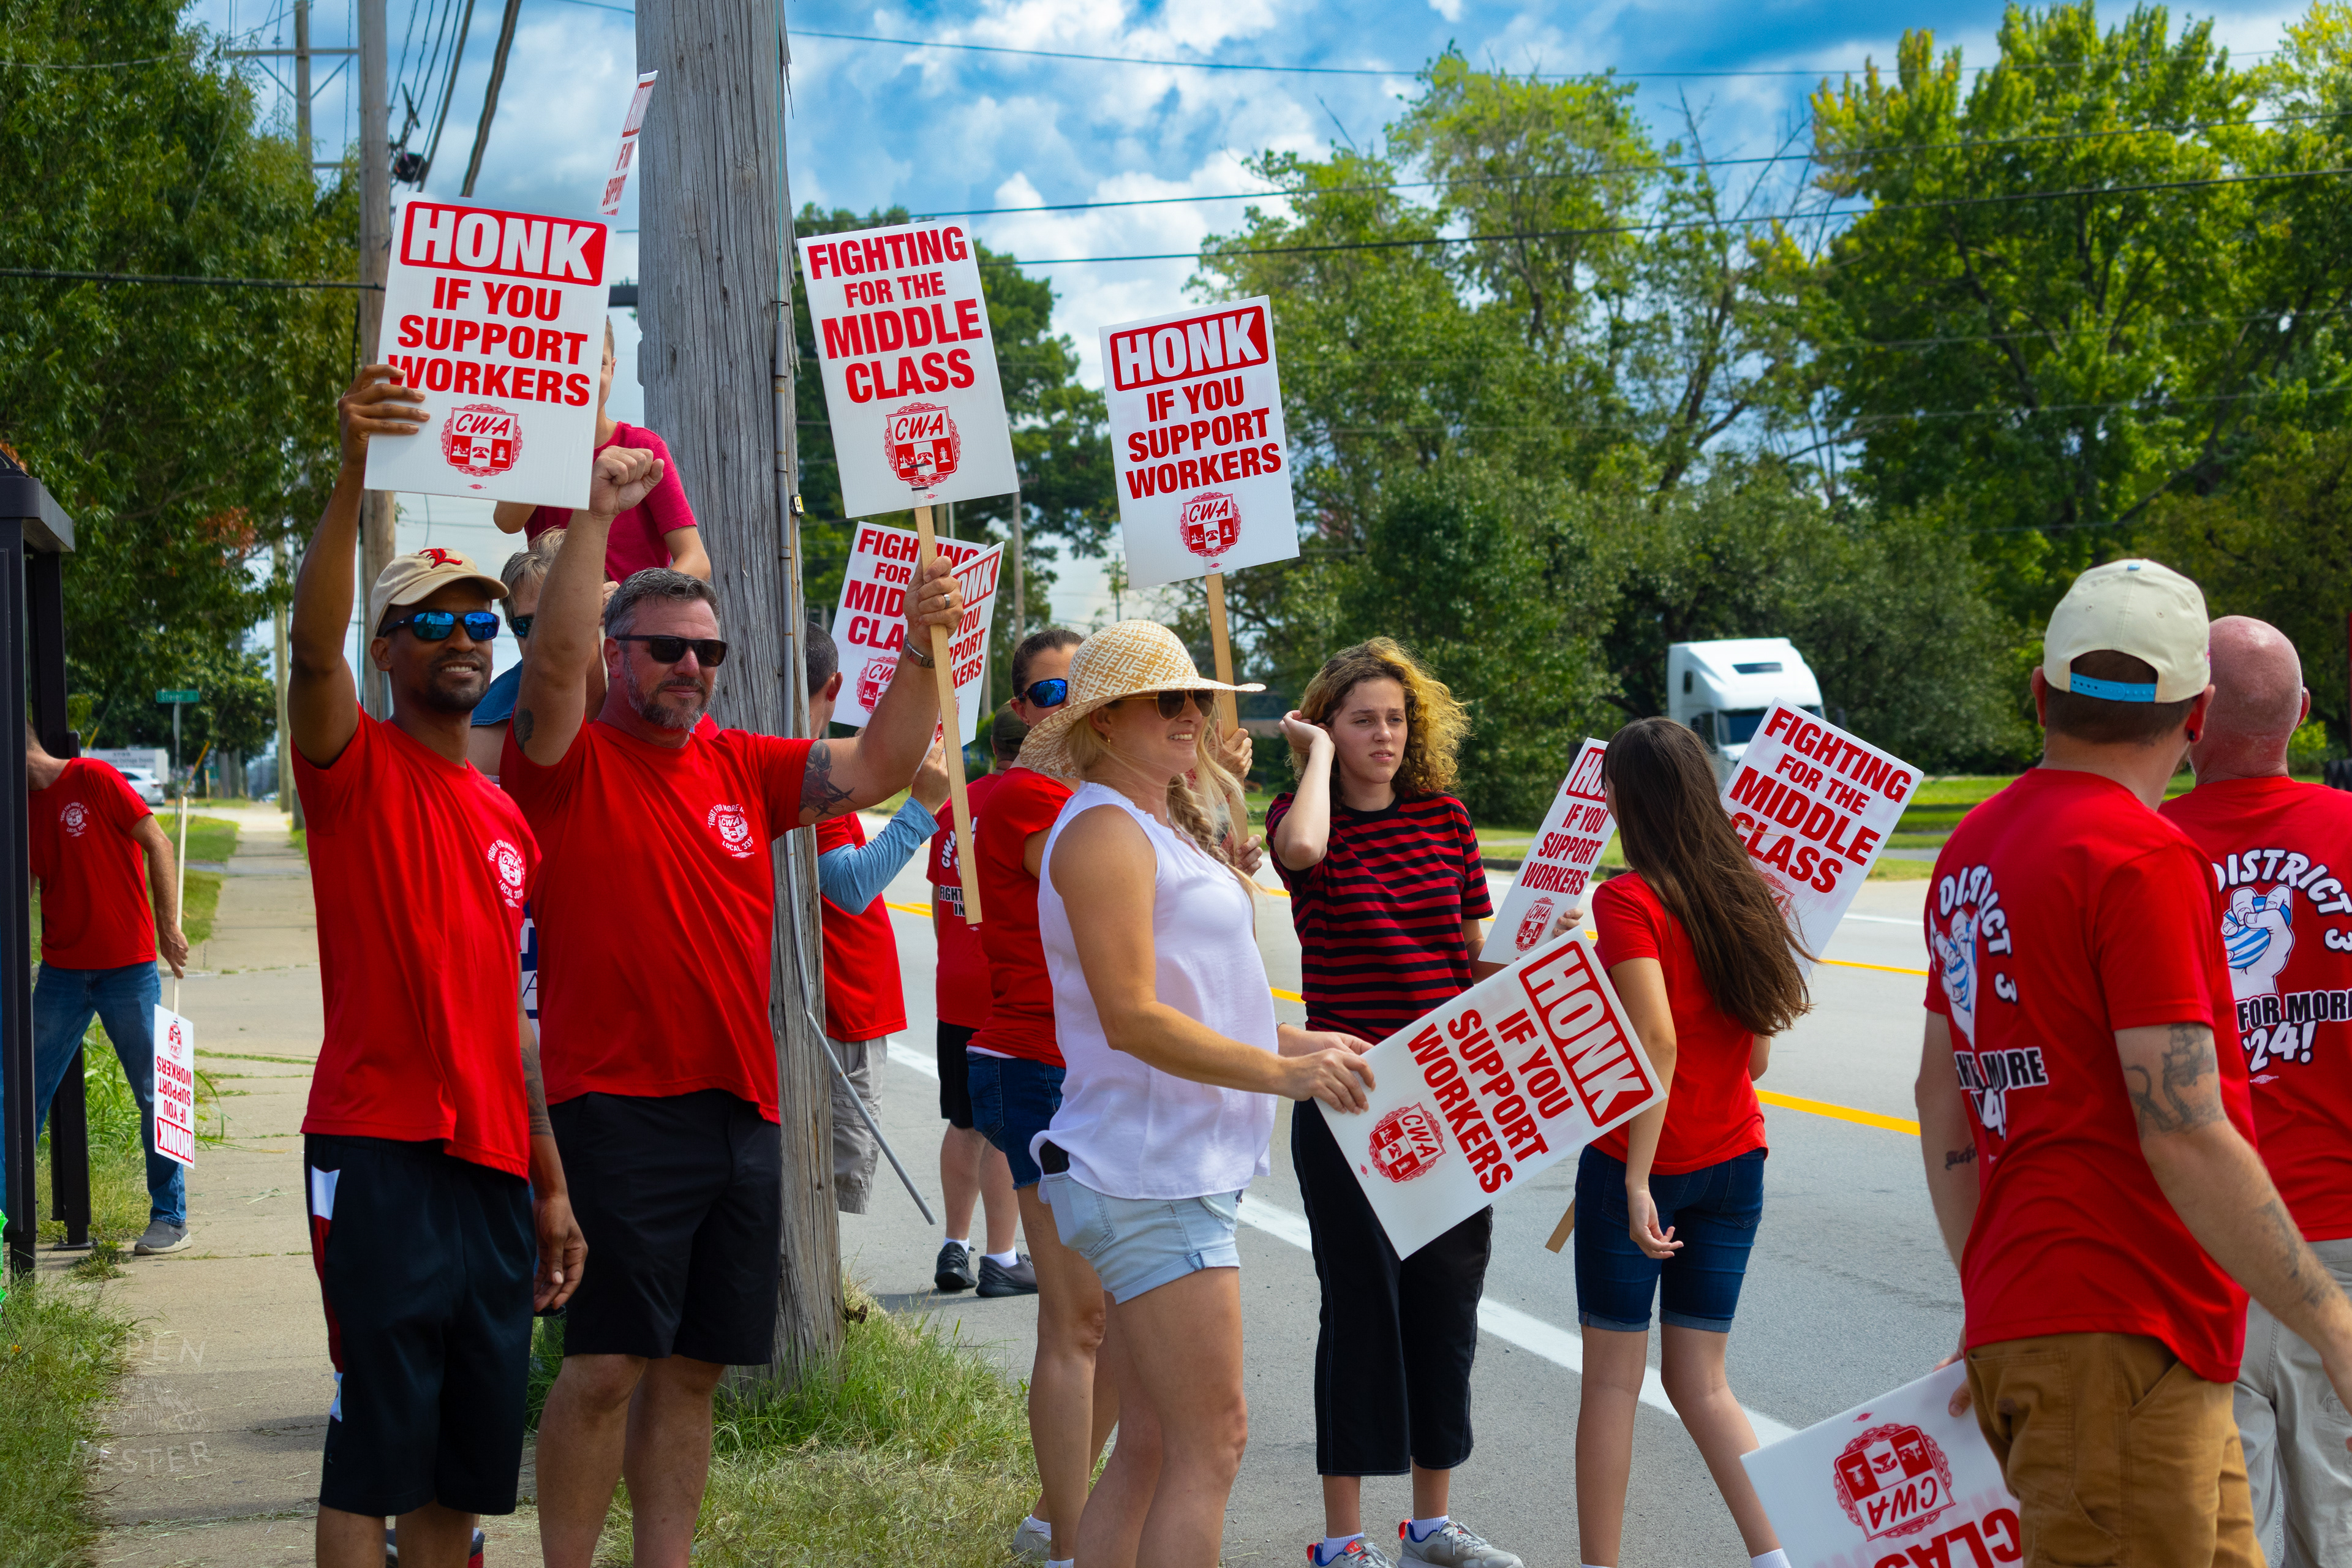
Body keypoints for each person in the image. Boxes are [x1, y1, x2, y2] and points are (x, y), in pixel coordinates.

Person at [505, 459, 959, 1568]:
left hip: (738, 1109)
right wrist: (602, 514)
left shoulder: (743, 766)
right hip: (613, 1106)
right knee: (605, 1364)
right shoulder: (560, 757)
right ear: (619, 657)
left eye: (710, 652)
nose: (692, 669)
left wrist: (914, 648)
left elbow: (886, 760)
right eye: (668, 649)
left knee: (697, 1367)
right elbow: (555, 655)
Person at [1916, 559, 2352, 1568]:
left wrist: (1992, 1289)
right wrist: (2329, 1317)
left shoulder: (1974, 847)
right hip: (2127, 1335)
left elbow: (1944, 1096)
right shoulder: (2140, 858)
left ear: (2039, 691)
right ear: (2195, 715)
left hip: (2078, 1323)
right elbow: (2186, 1127)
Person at [287, 365, 584, 1568]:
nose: (468, 638)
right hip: (380, 1149)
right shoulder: (351, 766)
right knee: (377, 1455)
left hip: (491, 1170)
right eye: (437, 621)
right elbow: (312, 654)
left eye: (483, 621)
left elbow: (514, 1017)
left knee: (467, 1462)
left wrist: (552, 1183)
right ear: (390, 650)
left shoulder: (506, 818)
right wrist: (356, 463)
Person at [1025, 619, 1377, 1568]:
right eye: (1165, 702)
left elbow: (1201, 1002)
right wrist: (1285, 1074)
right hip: (1151, 1175)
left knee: (1150, 1442)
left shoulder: (1145, 822)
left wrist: (1305, 1040)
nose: (1190, 715)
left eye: (1195, 699)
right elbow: (1132, 1018)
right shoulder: (1102, 830)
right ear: (1103, 723)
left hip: (1167, 1171)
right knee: (1212, 1442)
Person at [1265, 639, 1521, 1568]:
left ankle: (1428, 1526)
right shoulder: (1303, 821)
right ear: (1329, 725)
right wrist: (1315, 765)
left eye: (1396, 720)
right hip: (1349, 1098)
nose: (1385, 734)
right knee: (1360, 1312)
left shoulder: (1446, 820)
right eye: (1363, 719)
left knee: (1446, 1308)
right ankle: (1342, 1542)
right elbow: (1301, 850)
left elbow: (1474, 962)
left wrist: (1544, 933)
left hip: (1450, 1096)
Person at [1571, 717, 1807, 1568]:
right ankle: (1775, 1556)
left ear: (1623, 802)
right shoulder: (1748, 890)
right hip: (1736, 1158)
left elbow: (1654, 1040)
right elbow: (1761, 1050)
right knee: (1704, 1383)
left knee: (1610, 1384)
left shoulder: (1626, 899)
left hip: (1646, 1166)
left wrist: (1635, 1180)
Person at [2163, 615, 2352, 1567]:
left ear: (2191, 717)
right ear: (2304, 716)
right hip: (2340, 1255)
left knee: (2221, 1544)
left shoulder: (2136, 851)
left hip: (2199, 1251)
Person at [966, 626, 1102, 1562]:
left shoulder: (1094, 801)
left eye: (1090, 691)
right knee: (1079, 1317)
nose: (1073, 710)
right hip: (1039, 1066)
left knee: (1124, 1322)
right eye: (1051, 695)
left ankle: (1065, 1515)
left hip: (1097, 1067)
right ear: (1023, 711)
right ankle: (1064, 1541)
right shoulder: (1028, 798)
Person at [800, 620, 960, 1222]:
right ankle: (817, 1304)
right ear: (832, 688)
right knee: (832, 1178)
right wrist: (922, 806)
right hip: (842, 1002)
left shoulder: (810, 764)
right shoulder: (809, 770)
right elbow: (849, 884)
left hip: (840, 997)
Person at [21, 731, 192, 1254]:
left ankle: (171, 1217)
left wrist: (168, 928)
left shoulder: (92, 777)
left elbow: (159, 842)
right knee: (22, 1092)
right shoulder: (21, 810)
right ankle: (11, 1216)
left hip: (129, 968)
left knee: (157, 1090)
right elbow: (26, 887)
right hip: (61, 973)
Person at [929, 702, 1025, 1296]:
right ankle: (1002, 1256)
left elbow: (943, 904)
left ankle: (953, 1244)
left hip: (955, 985)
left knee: (963, 1122)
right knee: (1006, 1128)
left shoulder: (952, 809)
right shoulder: (1031, 806)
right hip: (1004, 988)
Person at [491, 321, 709, 584]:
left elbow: (696, 560)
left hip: (632, 622)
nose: (581, 378)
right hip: (559, 618)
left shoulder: (642, 447)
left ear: (613, 369)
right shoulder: (537, 449)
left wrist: (631, 600)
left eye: (597, 364)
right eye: (566, 364)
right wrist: (554, 436)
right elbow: (506, 522)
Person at [469, 530, 612, 778]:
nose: (542, 638)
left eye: (559, 617)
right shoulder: (484, 736)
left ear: (603, 613)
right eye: (527, 625)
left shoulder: (652, 686)